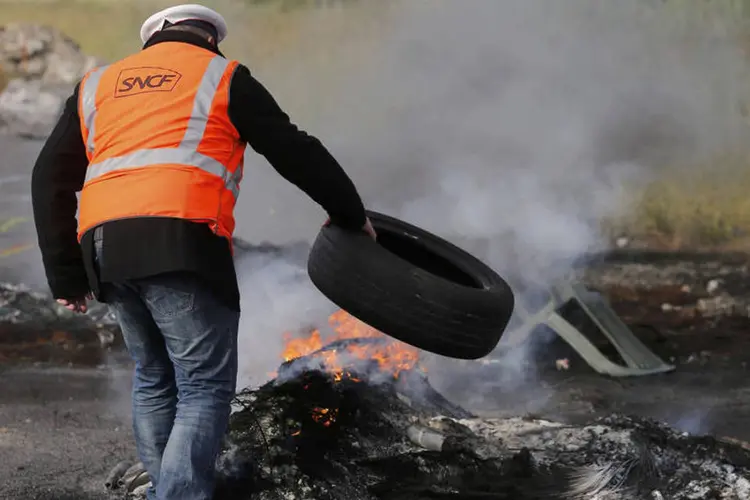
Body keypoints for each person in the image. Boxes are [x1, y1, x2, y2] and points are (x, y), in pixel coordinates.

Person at [30, 4, 376, 499]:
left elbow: (48, 178)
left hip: (104, 250)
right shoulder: (222, 76)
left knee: (153, 377)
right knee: (202, 387)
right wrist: (349, 213)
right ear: (211, 39)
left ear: (154, 39)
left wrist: (66, 274)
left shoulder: (97, 85)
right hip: (181, 244)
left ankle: (164, 490)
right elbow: (293, 149)